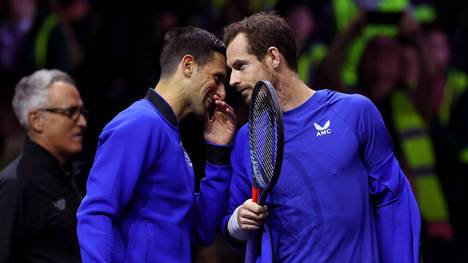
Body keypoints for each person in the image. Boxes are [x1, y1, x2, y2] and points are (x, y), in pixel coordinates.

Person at [221, 12, 421, 262]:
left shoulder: (355, 112)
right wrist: (238, 222)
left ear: (273, 57)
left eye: (240, 66)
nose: (233, 80)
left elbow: (394, 202)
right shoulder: (247, 137)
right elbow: (231, 225)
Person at [76, 26, 236, 263]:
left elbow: (201, 230)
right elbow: (96, 213)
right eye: (217, 78)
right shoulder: (140, 123)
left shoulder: (168, 132)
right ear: (188, 66)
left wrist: (217, 152)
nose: (222, 92)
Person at [0, 69, 87, 262]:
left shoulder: (68, 175)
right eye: (71, 112)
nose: (82, 122)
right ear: (36, 120)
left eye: (81, 111)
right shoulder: (16, 185)